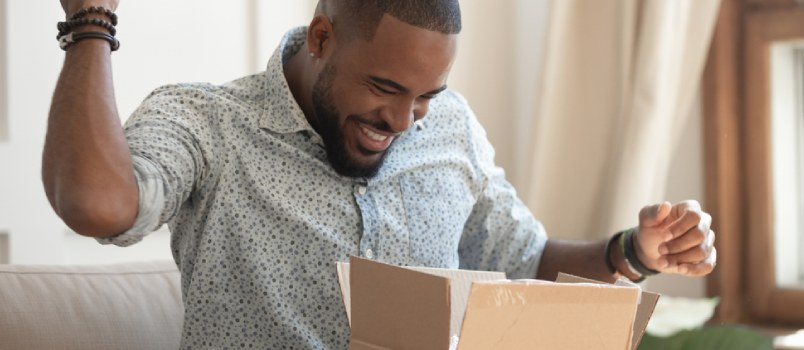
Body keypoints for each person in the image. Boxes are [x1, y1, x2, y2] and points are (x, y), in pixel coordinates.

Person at [44, 0, 717, 348]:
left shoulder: (449, 130)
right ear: (321, 38)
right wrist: (90, 24)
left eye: (427, 94)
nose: (404, 121)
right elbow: (97, 205)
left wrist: (632, 251)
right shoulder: (210, 123)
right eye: (385, 86)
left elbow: (526, 260)